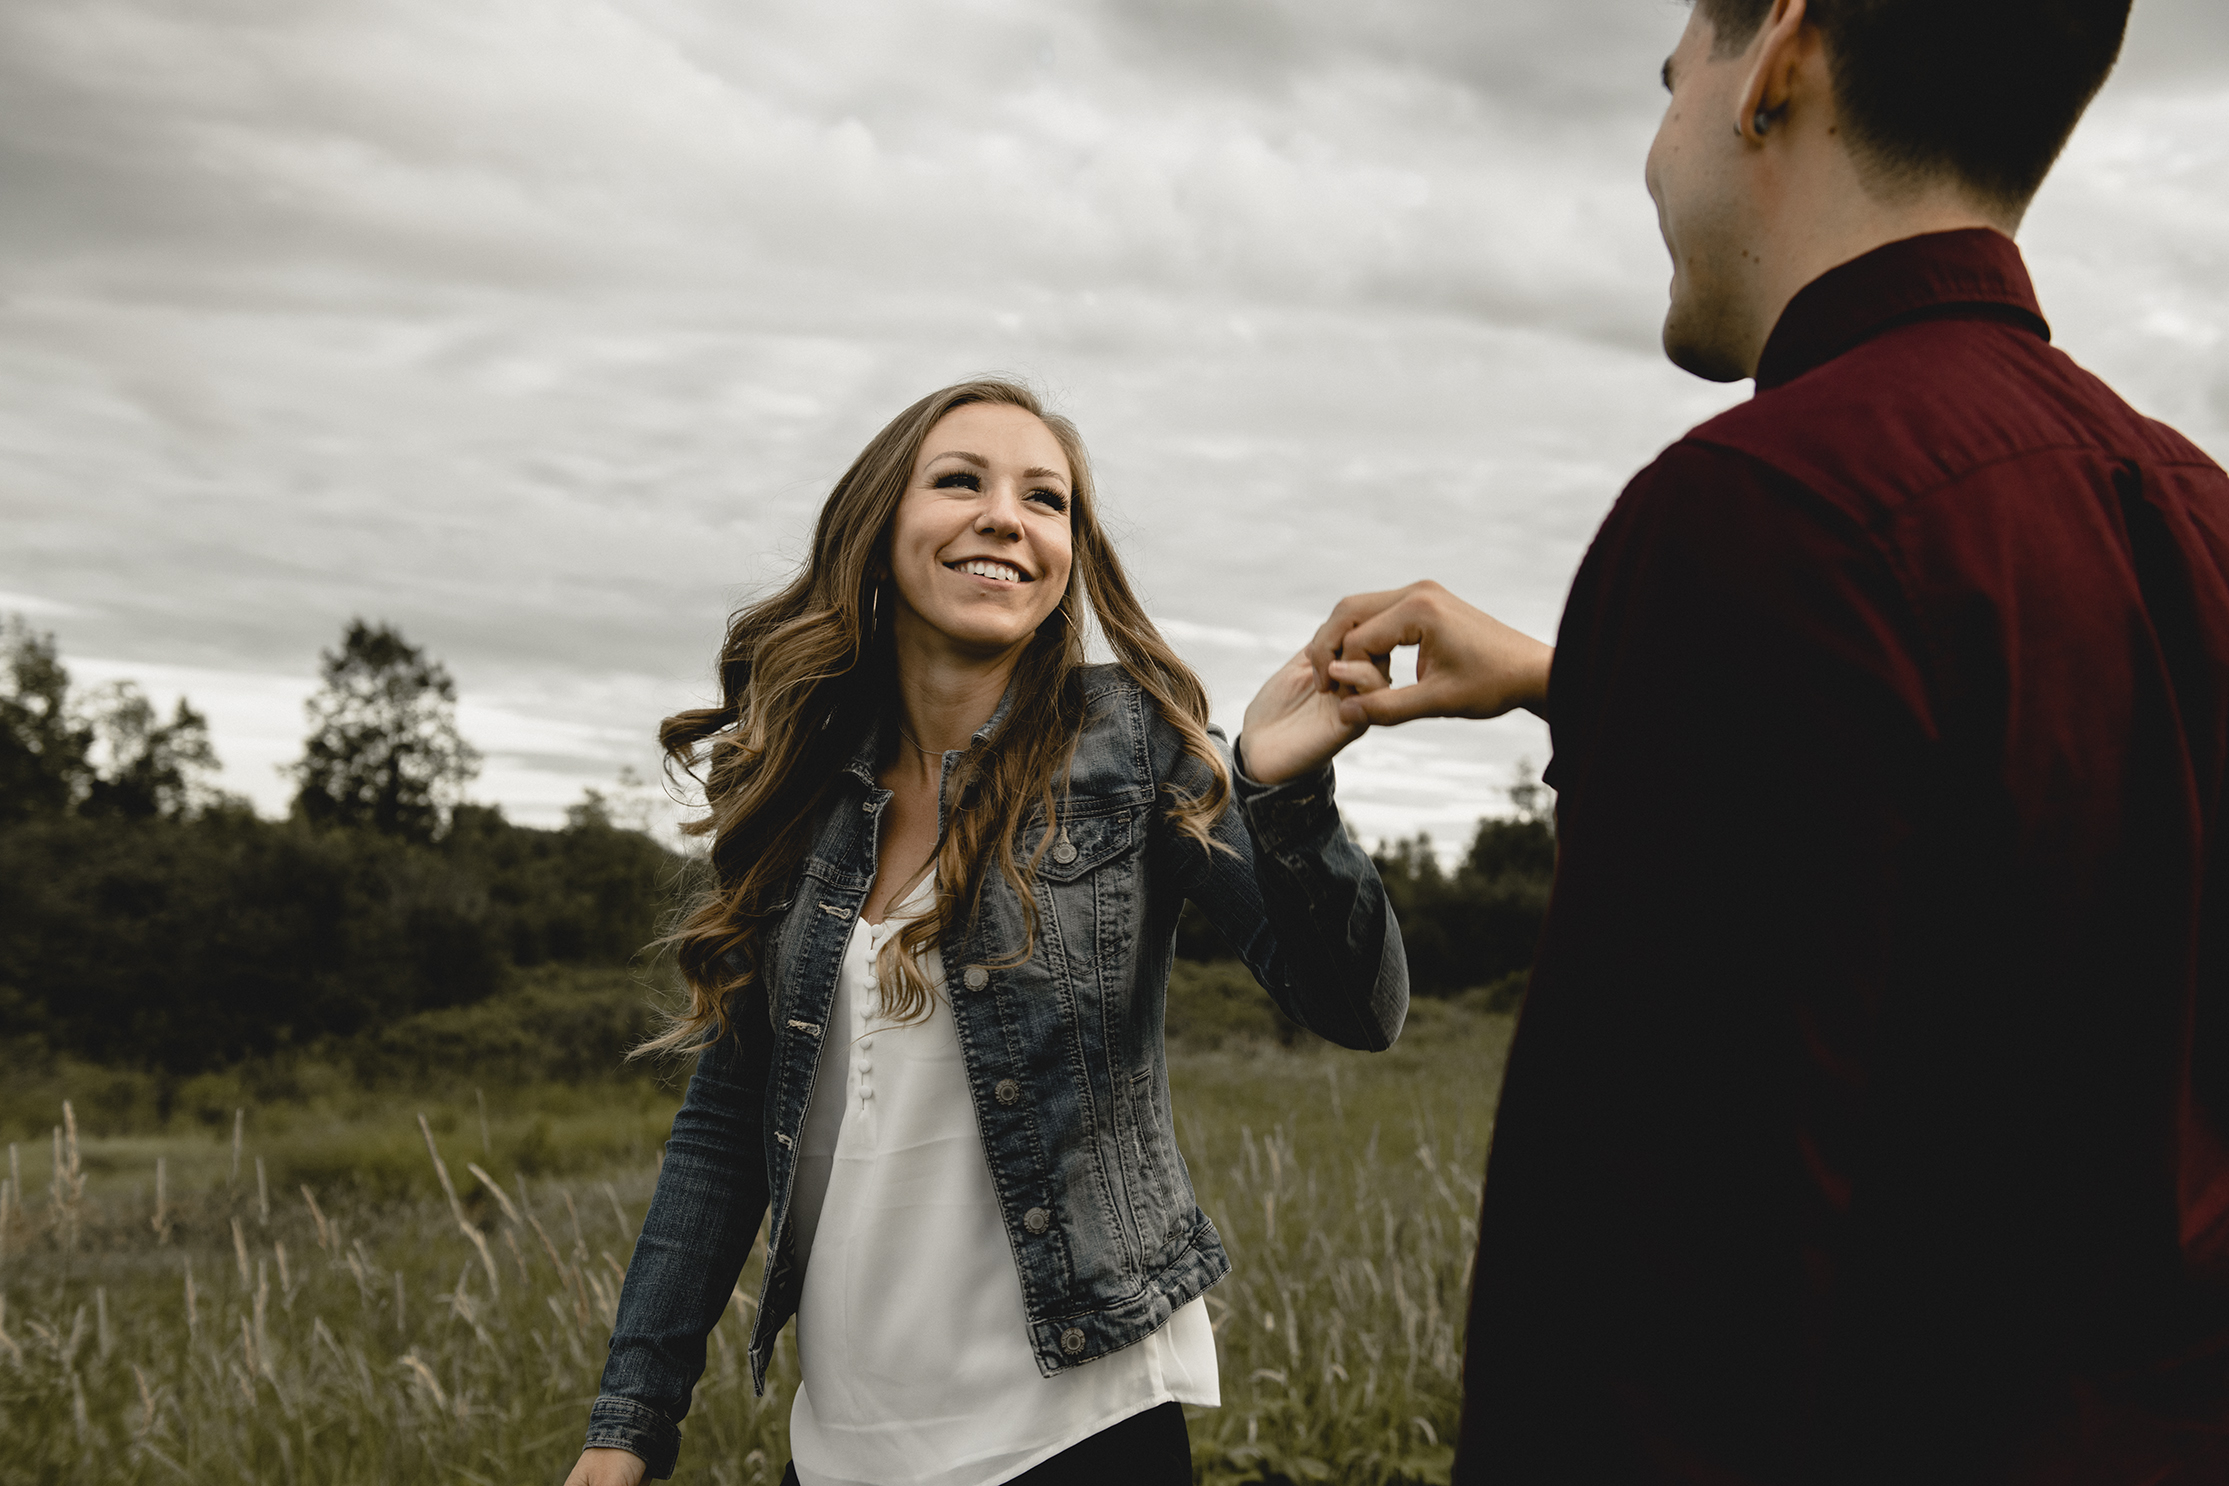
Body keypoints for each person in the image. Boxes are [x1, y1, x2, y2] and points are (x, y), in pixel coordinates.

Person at [1303, 1, 2229, 1481]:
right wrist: (1581, 673)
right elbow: (2012, 803)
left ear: (1778, 59)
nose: (1652, 159)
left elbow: (1642, 1298)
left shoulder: (1758, 513)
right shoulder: (2191, 511)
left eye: (1671, 87)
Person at [561, 378, 1408, 1486]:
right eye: (959, 481)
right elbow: (726, 1124)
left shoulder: (1135, 746)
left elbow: (1356, 1007)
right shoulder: (808, 792)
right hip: (844, 1449)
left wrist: (1285, 798)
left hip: (1078, 1430)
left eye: (1045, 499)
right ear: (878, 529)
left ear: (1067, 556)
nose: (1006, 516)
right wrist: (628, 1422)